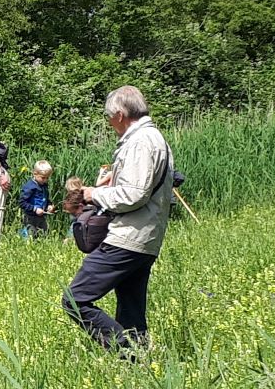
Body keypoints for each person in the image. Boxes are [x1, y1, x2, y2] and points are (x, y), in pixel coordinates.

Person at [62, 86, 175, 355]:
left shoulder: (140, 142)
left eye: (109, 117)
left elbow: (133, 194)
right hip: (146, 237)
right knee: (130, 307)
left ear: (120, 115)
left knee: (75, 300)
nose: (110, 123)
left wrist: (94, 194)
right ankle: (139, 361)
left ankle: (128, 351)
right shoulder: (153, 138)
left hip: (128, 236)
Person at [18, 160, 54, 239]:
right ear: (35, 174)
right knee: (30, 236)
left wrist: (49, 205)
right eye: (43, 178)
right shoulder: (30, 187)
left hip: (41, 216)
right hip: (30, 217)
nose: (45, 180)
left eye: (47, 178)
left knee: (44, 236)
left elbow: (46, 199)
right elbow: (22, 202)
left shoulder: (44, 186)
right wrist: (35, 209)